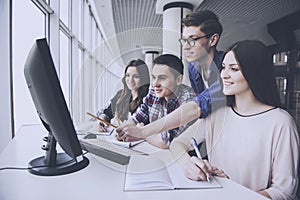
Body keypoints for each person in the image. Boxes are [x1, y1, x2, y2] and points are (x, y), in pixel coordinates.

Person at [170, 40, 299, 200]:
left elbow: (284, 192)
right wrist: (188, 163)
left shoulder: (281, 122)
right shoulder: (217, 114)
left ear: (255, 73)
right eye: (223, 67)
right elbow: (177, 144)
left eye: (234, 69)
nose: (224, 74)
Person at [116, 10, 225, 141]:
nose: (185, 47)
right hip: (211, 130)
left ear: (213, 39)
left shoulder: (227, 67)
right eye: (184, 40)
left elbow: (198, 106)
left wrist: (143, 132)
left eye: (192, 40)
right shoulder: (194, 68)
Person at [116, 54, 195, 149]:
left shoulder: (188, 98)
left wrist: (140, 133)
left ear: (178, 80)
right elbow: (136, 118)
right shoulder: (154, 93)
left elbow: (165, 142)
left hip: (184, 157)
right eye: (154, 78)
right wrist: (123, 131)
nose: (155, 84)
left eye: (162, 78)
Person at [96, 59, 150, 131]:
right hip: (118, 138)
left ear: (143, 78)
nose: (130, 80)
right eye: (128, 75)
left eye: (136, 76)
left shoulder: (149, 99)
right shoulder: (120, 95)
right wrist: (102, 121)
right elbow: (107, 114)